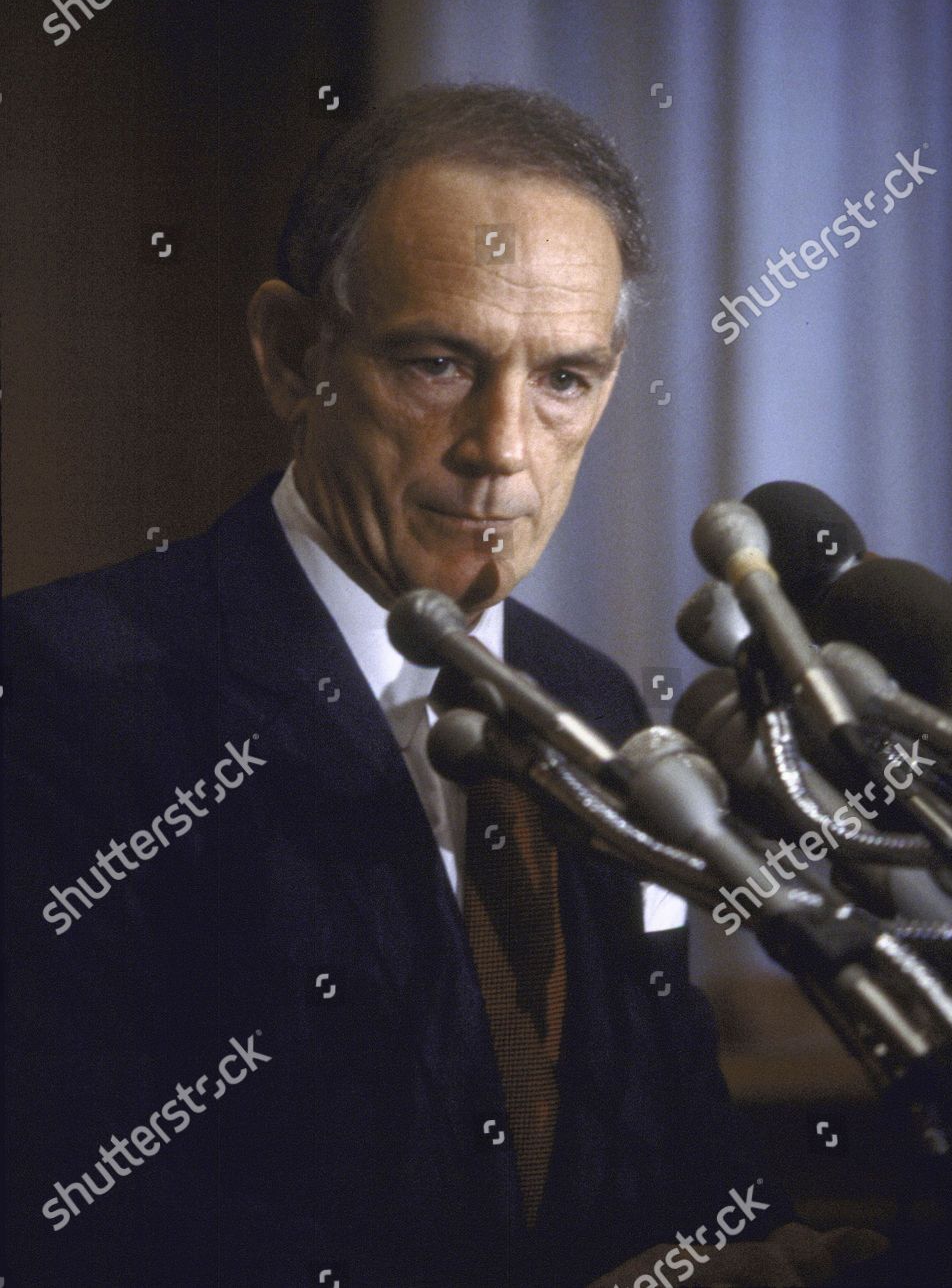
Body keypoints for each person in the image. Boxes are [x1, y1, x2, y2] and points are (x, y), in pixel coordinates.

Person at [3, 83, 887, 1287]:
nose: (501, 450)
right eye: (438, 363)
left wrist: (777, 1250)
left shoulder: (607, 715)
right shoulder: (66, 690)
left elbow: (668, 1142)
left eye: (562, 380)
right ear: (291, 354)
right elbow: (78, 1213)